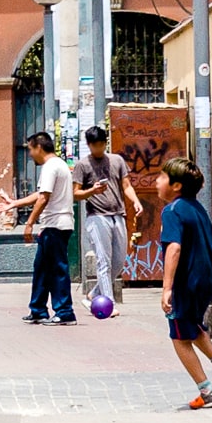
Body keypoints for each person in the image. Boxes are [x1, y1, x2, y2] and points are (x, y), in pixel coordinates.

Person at [158, 162, 212, 407]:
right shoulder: (196, 208)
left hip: (187, 281)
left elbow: (174, 248)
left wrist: (167, 287)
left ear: (176, 186)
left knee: (179, 337)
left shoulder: (172, 211)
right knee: (192, 324)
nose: (157, 182)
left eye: (162, 177)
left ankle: (207, 391)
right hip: (206, 278)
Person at [15, 132, 79, 323]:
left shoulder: (51, 166)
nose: (30, 154)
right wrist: (14, 204)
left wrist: (29, 223)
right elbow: (40, 194)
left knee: (57, 269)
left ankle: (65, 311)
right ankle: (38, 309)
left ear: (39, 147)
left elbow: (44, 197)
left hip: (56, 225)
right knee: (42, 268)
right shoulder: (58, 165)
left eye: (30, 149)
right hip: (54, 225)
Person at [76, 132, 129, 317]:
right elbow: (75, 194)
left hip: (118, 214)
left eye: (102, 144)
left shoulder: (117, 161)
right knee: (103, 261)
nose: (99, 149)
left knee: (119, 261)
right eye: (95, 145)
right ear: (89, 145)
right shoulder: (83, 165)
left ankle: (95, 293)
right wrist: (92, 190)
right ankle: (109, 303)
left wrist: (136, 202)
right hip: (96, 216)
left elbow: (126, 186)